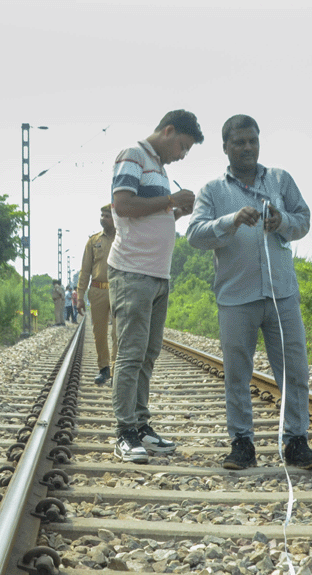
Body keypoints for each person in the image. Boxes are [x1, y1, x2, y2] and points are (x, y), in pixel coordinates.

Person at [186, 115, 312, 471]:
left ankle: (296, 441)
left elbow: (303, 219)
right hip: (236, 297)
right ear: (225, 148)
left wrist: (283, 223)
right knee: (237, 373)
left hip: (282, 295)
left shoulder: (280, 180)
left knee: (294, 370)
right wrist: (230, 220)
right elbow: (195, 235)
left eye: (252, 141)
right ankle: (242, 444)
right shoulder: (213, 191)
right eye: (239, 142)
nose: (247, 148)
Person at [108, 110, 203, 463]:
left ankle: (141, 426)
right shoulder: (132, 156)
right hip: (133, 273)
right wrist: (169, 201)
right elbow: (123, 204)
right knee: (131, 355)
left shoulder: (160, 170)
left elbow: (149, 214)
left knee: (147, 355)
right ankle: (124, 432)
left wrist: (177, 213)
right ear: (168, 131)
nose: (182, 154)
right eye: (182, 145)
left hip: (157, 275)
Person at [76, 204, 119, 386]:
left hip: (119, 289)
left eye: (107, 215)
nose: (103, 218)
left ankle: (117, 371)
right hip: (97, 290)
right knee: (99, 332)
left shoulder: (124, 238)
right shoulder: (93, 241)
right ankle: (104, 369)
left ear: (115, 217)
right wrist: (80, 296)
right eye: (101, 215)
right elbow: (85, 271)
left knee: (118, 332)